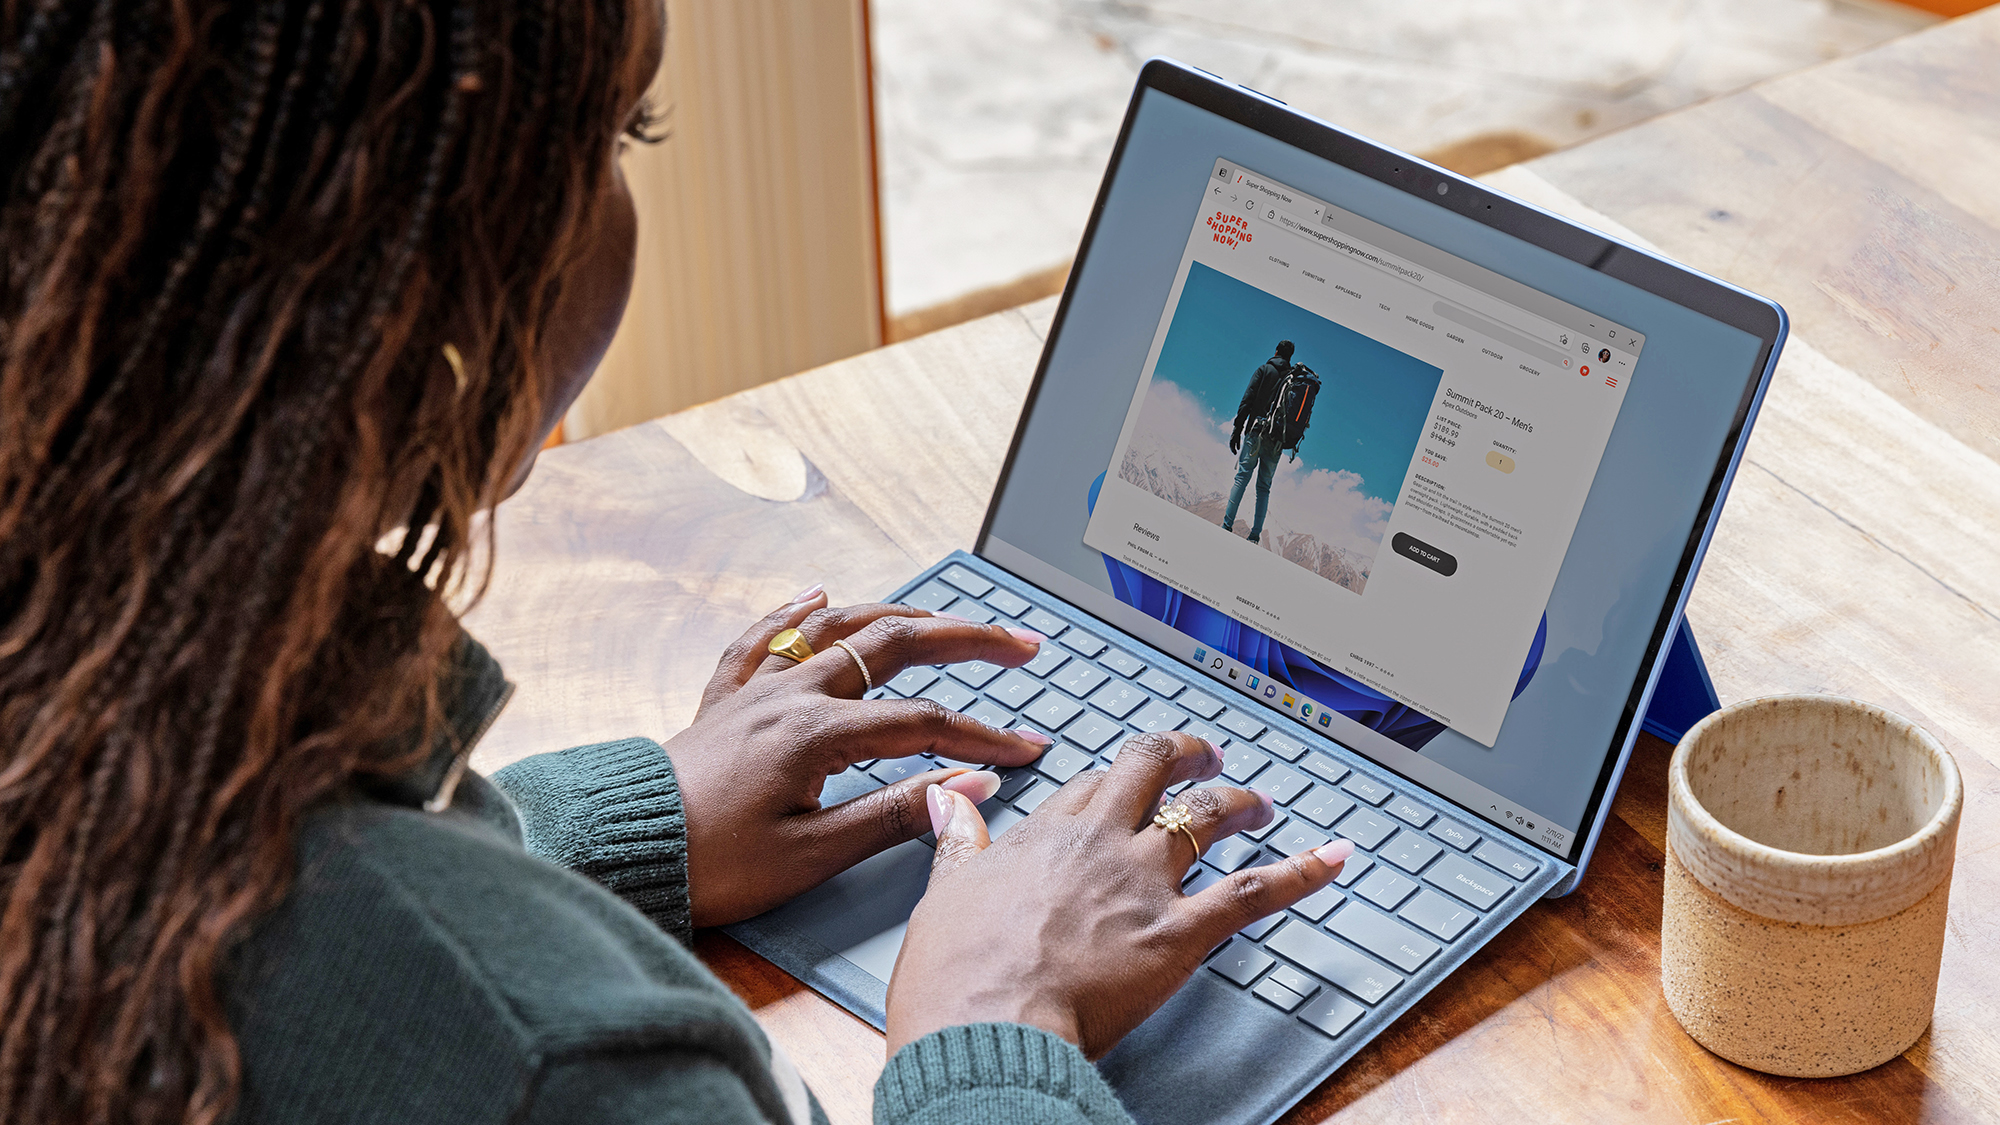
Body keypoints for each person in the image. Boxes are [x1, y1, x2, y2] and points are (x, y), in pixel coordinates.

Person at [0, 3, 1354, 1123]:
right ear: (401, 269)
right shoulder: (562, 1068)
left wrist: (587, 834)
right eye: (616, 132)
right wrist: (996, 1022)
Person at [1223, 339, 1296, 543]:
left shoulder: (1264, 370)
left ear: (1276, 351)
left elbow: (1247, 401)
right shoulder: (1293, 381)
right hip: (1276, 441)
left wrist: (1237, 430)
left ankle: (1226, 525)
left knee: (1242, 477)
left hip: (1256, 431)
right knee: (1264, 487)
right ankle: (1254, 536)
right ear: (1290, 357)